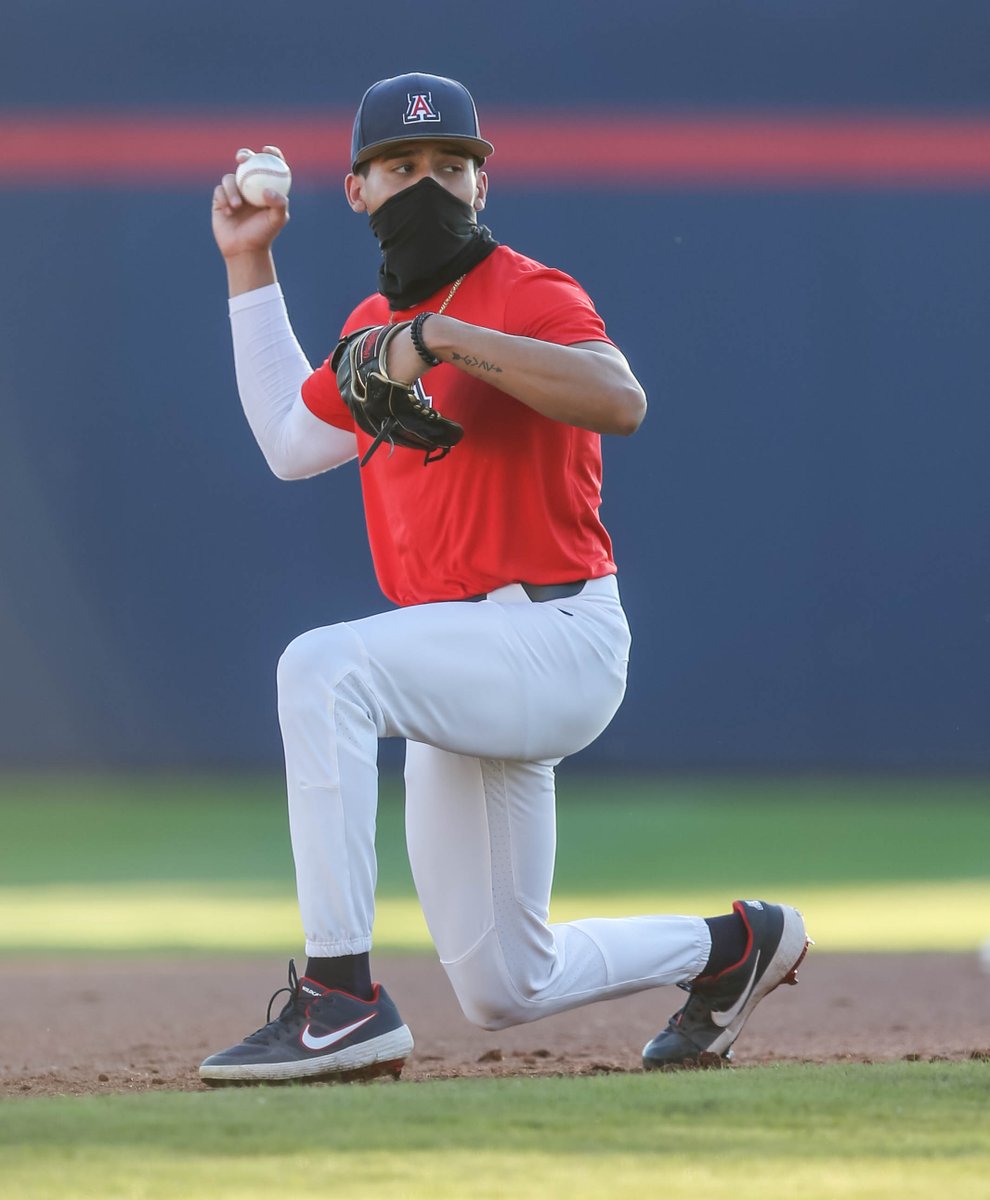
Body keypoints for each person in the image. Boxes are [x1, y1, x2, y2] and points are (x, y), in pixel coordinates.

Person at [200, 73, 809, 1084]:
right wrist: (250, 258)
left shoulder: (529, 291)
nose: (428, 184)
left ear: (485, 185)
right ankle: (735, 947)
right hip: (465, 656)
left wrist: (444, 340)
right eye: (402, 167)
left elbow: (621, 399)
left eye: (452, 166)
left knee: (322, 670)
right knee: (504, 984)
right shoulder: (367, 324)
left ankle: (337, 998)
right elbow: (287, 440)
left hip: (556, 636)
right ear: (357, 190)